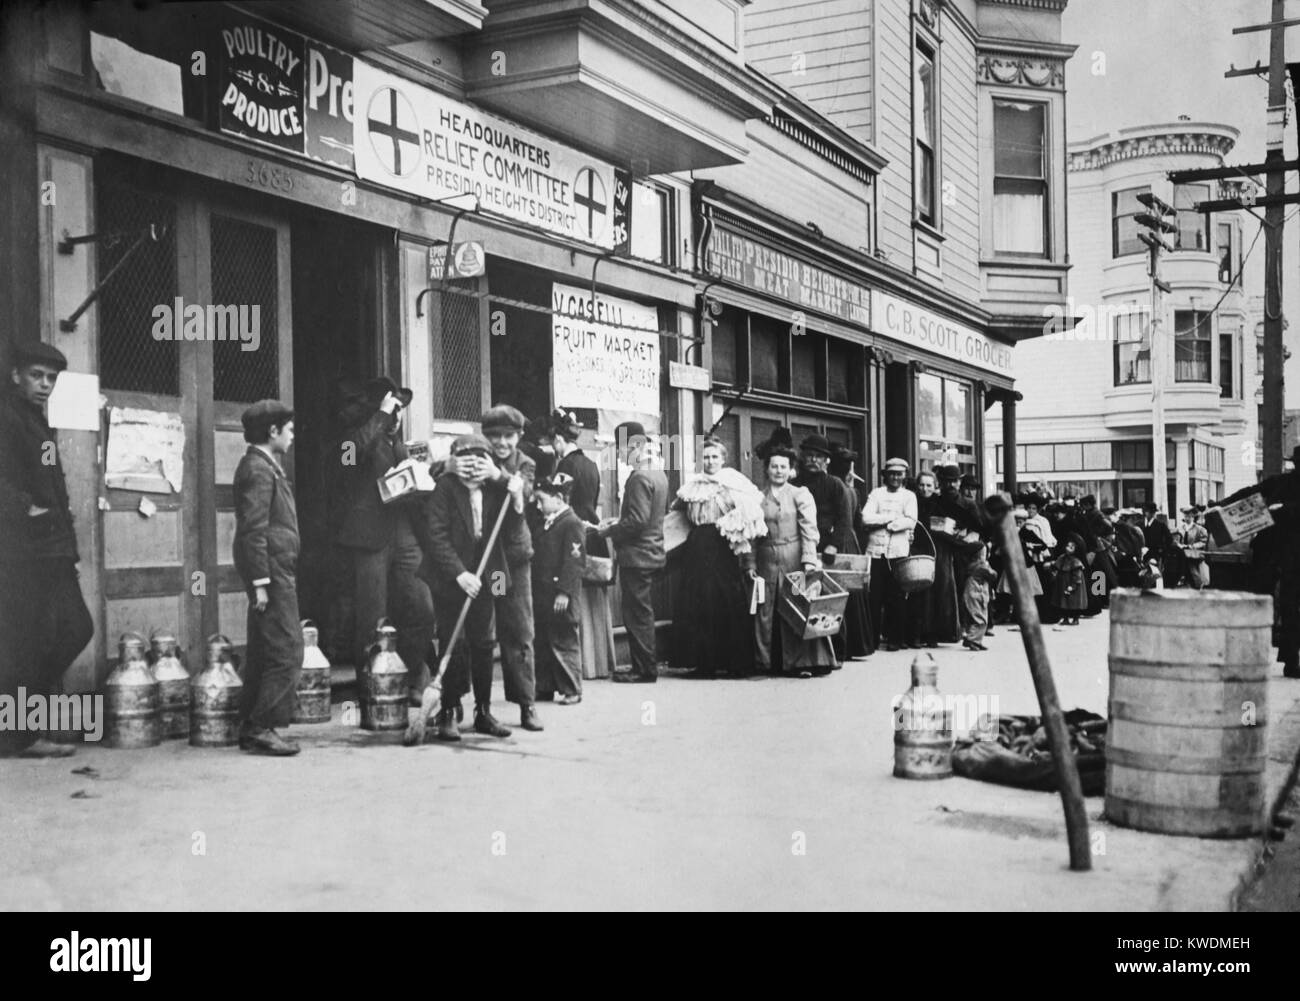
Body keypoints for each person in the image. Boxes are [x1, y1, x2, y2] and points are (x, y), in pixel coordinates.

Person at [0, 342, 93, 758]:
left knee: (71, 629)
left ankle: (17, 725)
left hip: (50, 549)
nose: (45, 384)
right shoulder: (7, 417)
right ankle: (18, 733)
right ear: (16, 374)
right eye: (37, 375)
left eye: (51, 378)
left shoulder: (35, 420)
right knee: (31, 639)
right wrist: (27, 510)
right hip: (24, 551)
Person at [335, 377, 435, 702]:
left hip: (403, 532)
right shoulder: (354, 440)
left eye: (401, 410)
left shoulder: (399, 444)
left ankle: (414, 678)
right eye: (394, 407)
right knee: (371, 618)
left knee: (421, 606)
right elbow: (347, 461)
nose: (398, 416)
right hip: (370, 536)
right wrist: (380, 416)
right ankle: (372, 691)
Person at [421, 434, 526, 741]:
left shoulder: (496, 490)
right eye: (466, 461)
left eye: (479, 461)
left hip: (487, 573)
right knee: (454, 642)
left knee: (484, 642)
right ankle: (449, 711)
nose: (472, 470)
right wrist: (459, 574)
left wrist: (517, 498)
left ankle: (483, 711)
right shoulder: (444, 489)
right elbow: (435, 537)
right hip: (451, 576)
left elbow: (511, 529)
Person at [232, 400, 302, 756]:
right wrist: (260, 581)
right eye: (288, 429)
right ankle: (262, 726)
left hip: (274, 568)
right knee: (288, 649)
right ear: (273, 432)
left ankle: (250, 723)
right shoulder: (259, 470)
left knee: (262, 650)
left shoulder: (266, 466)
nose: (292, 436)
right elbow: (252, 529)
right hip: (272, 572)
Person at [669, 436, 766, 677]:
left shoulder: (732, 482)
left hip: (722, 545)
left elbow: (751, 512)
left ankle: (735, 663)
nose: (710, 461)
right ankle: (704, 664)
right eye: (706, 457)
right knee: (698, 602)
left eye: (714, 457)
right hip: (697, 546)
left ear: (723, 459)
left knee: (725, 601)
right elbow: (678, 512)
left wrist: (731, 523)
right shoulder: (693, 485)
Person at [477, 404, 542, 731]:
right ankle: (482, 709)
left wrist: (499, 477)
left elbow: (525, 494)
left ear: (518, 436)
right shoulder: (477, 456)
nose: (501, 442)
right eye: (495, 436)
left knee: (518, 630)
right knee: (483, 631)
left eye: (508, 436)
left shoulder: (525, 463)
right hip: (485, 560)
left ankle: (526, 705)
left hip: (512, 562)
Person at [751, 435, 836, 677]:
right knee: (766, 611)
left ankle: (802, 663)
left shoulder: (800, 494)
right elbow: (751, 534)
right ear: (767, 469)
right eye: (774, 466)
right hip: (766, 558)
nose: (778, 471)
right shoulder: (757, 497)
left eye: (783, 467)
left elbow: (810, 529)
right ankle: (767, 662)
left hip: (794, 557)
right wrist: (749, 562)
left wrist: (809, 559)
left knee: (796, 608)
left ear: (791, 470)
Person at [1217, 446, 1300, 677]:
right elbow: (1250, 492)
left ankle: (1279, 657)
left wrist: (1284, 509)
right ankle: (1287, 659)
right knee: (1283, 605)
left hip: (1275, 551)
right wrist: (1221, 504)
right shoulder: (1279, 482)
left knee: (1270, 602)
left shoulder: (1279, 483)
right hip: (1282, 553)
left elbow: (1250, 491)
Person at [597, 422, 669, 683]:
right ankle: (644, 666)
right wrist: (620, 520)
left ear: (636, 446)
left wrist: (610, 531)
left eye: (622, 449)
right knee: (643, 611)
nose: (618, 455)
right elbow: (647, 517)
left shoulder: (639, 477)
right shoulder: (658, 474)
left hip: (637, 556)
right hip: (651, 553)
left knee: (637, 614)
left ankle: (644, 670)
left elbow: (637, 521)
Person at [547, 410, 614, 679]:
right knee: (595, 599)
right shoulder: (591, 464)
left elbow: (560, 506)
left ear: (560, 440)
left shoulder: (564, 466)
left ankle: (583, 665)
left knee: (577, 599)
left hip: (573, 533)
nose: (553, 447)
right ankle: (600, 663)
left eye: (553, 442)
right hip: (593, 531)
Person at [798, 433, 873, 662]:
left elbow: (844, 520)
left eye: (818, 457)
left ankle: (838, 651)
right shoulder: (795, 484)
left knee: (832, 600)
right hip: (804, 545)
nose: (813, 460)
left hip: (830, 547)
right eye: (809, 455)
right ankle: (808, 651)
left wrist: (832, 545)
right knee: (804, 597)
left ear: (826, 461)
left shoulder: (835, 485)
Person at [530, 473, 585, 704]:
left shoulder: (572, 523)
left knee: (563, 641)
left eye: (541, 500)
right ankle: (544, 686)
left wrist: (564, 591)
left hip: (560, 595)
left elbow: (574, 562)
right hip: (544, 595)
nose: (538, 505)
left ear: (559, 498)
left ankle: (572, 689)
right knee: (543, 641)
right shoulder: (549, 521)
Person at [860, 458, 918, 651]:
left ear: (904, 476)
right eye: (891, 473)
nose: (895, 477)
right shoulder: (876, 494)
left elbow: (910, 521)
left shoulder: (909, 496)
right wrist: (892, 518)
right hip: (876, 552)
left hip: (898, 553)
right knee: (874, 597)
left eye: (899, 474)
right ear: (885, 475)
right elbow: (865, 517)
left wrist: (887, 523)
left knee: (897, 597)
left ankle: (895, 639)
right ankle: (872, 639)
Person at [923, 463, 982, 645]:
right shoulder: (935, 502)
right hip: (942, 551)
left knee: (964, 590)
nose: (951, 485)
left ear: (959, 483)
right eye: (947, 481)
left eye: (954, 482)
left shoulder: (969, 504)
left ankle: (963, 630)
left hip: (963, 552)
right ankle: (938, 632)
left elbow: (977, 529)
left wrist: (964, 537)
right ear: (941, 482)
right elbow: (931, 526)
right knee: (941, 592)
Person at [905, 470, 941, 647]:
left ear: (935, 487)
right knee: (917, 593)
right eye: (922, 485)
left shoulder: (939, 504)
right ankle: (915, 634)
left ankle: (932, 634)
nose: (925, 488)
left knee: (934, 596)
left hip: (936, 550)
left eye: (929, 485)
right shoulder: (913, 503)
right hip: (918, 550)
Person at [1049, 535, 1088, 626]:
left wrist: (1074, 585)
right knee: (1063, 602)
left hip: (1072, 583)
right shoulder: (1062, 558)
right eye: (1067, 546)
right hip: (1062, 582)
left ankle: (1075, 618)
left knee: (1074, 602)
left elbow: (1077, 575)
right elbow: (1056, 565)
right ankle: (1065, 618)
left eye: (1071, 547)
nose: (1068, 548)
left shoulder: (1076, 562)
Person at [1178, 506, 1210, 590]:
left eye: (1189, 516)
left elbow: (1203, 542)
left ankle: (1197, 586)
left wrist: (1192, 546)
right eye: (1185, 516)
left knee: (1193, 571)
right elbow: (1177, 540)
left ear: (1193, 517)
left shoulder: (1200, 529)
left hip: (1194, 555)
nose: (1187, 518)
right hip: (1182, 554)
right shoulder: (1180, 528)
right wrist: (1179, 545)